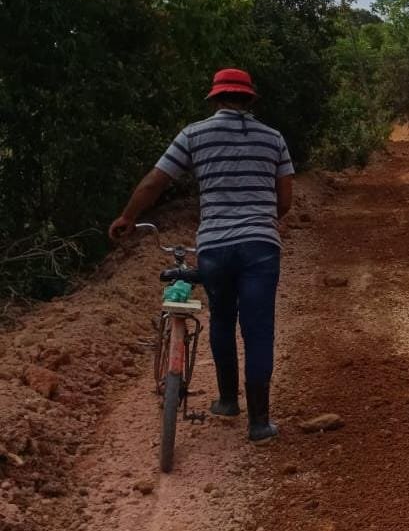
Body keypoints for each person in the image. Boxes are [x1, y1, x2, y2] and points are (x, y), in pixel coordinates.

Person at [109, 68, 294, 442]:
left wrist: (128, 217)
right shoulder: (273, 139)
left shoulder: (193, 135)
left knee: (222, 320)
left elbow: (155, 181)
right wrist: (256, 222)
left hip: (213, 247)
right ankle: (259, 423)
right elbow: (285, 202)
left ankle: (228, 402)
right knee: (258, 331)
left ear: (214, 98)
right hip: (261, 247)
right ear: (250, 99)